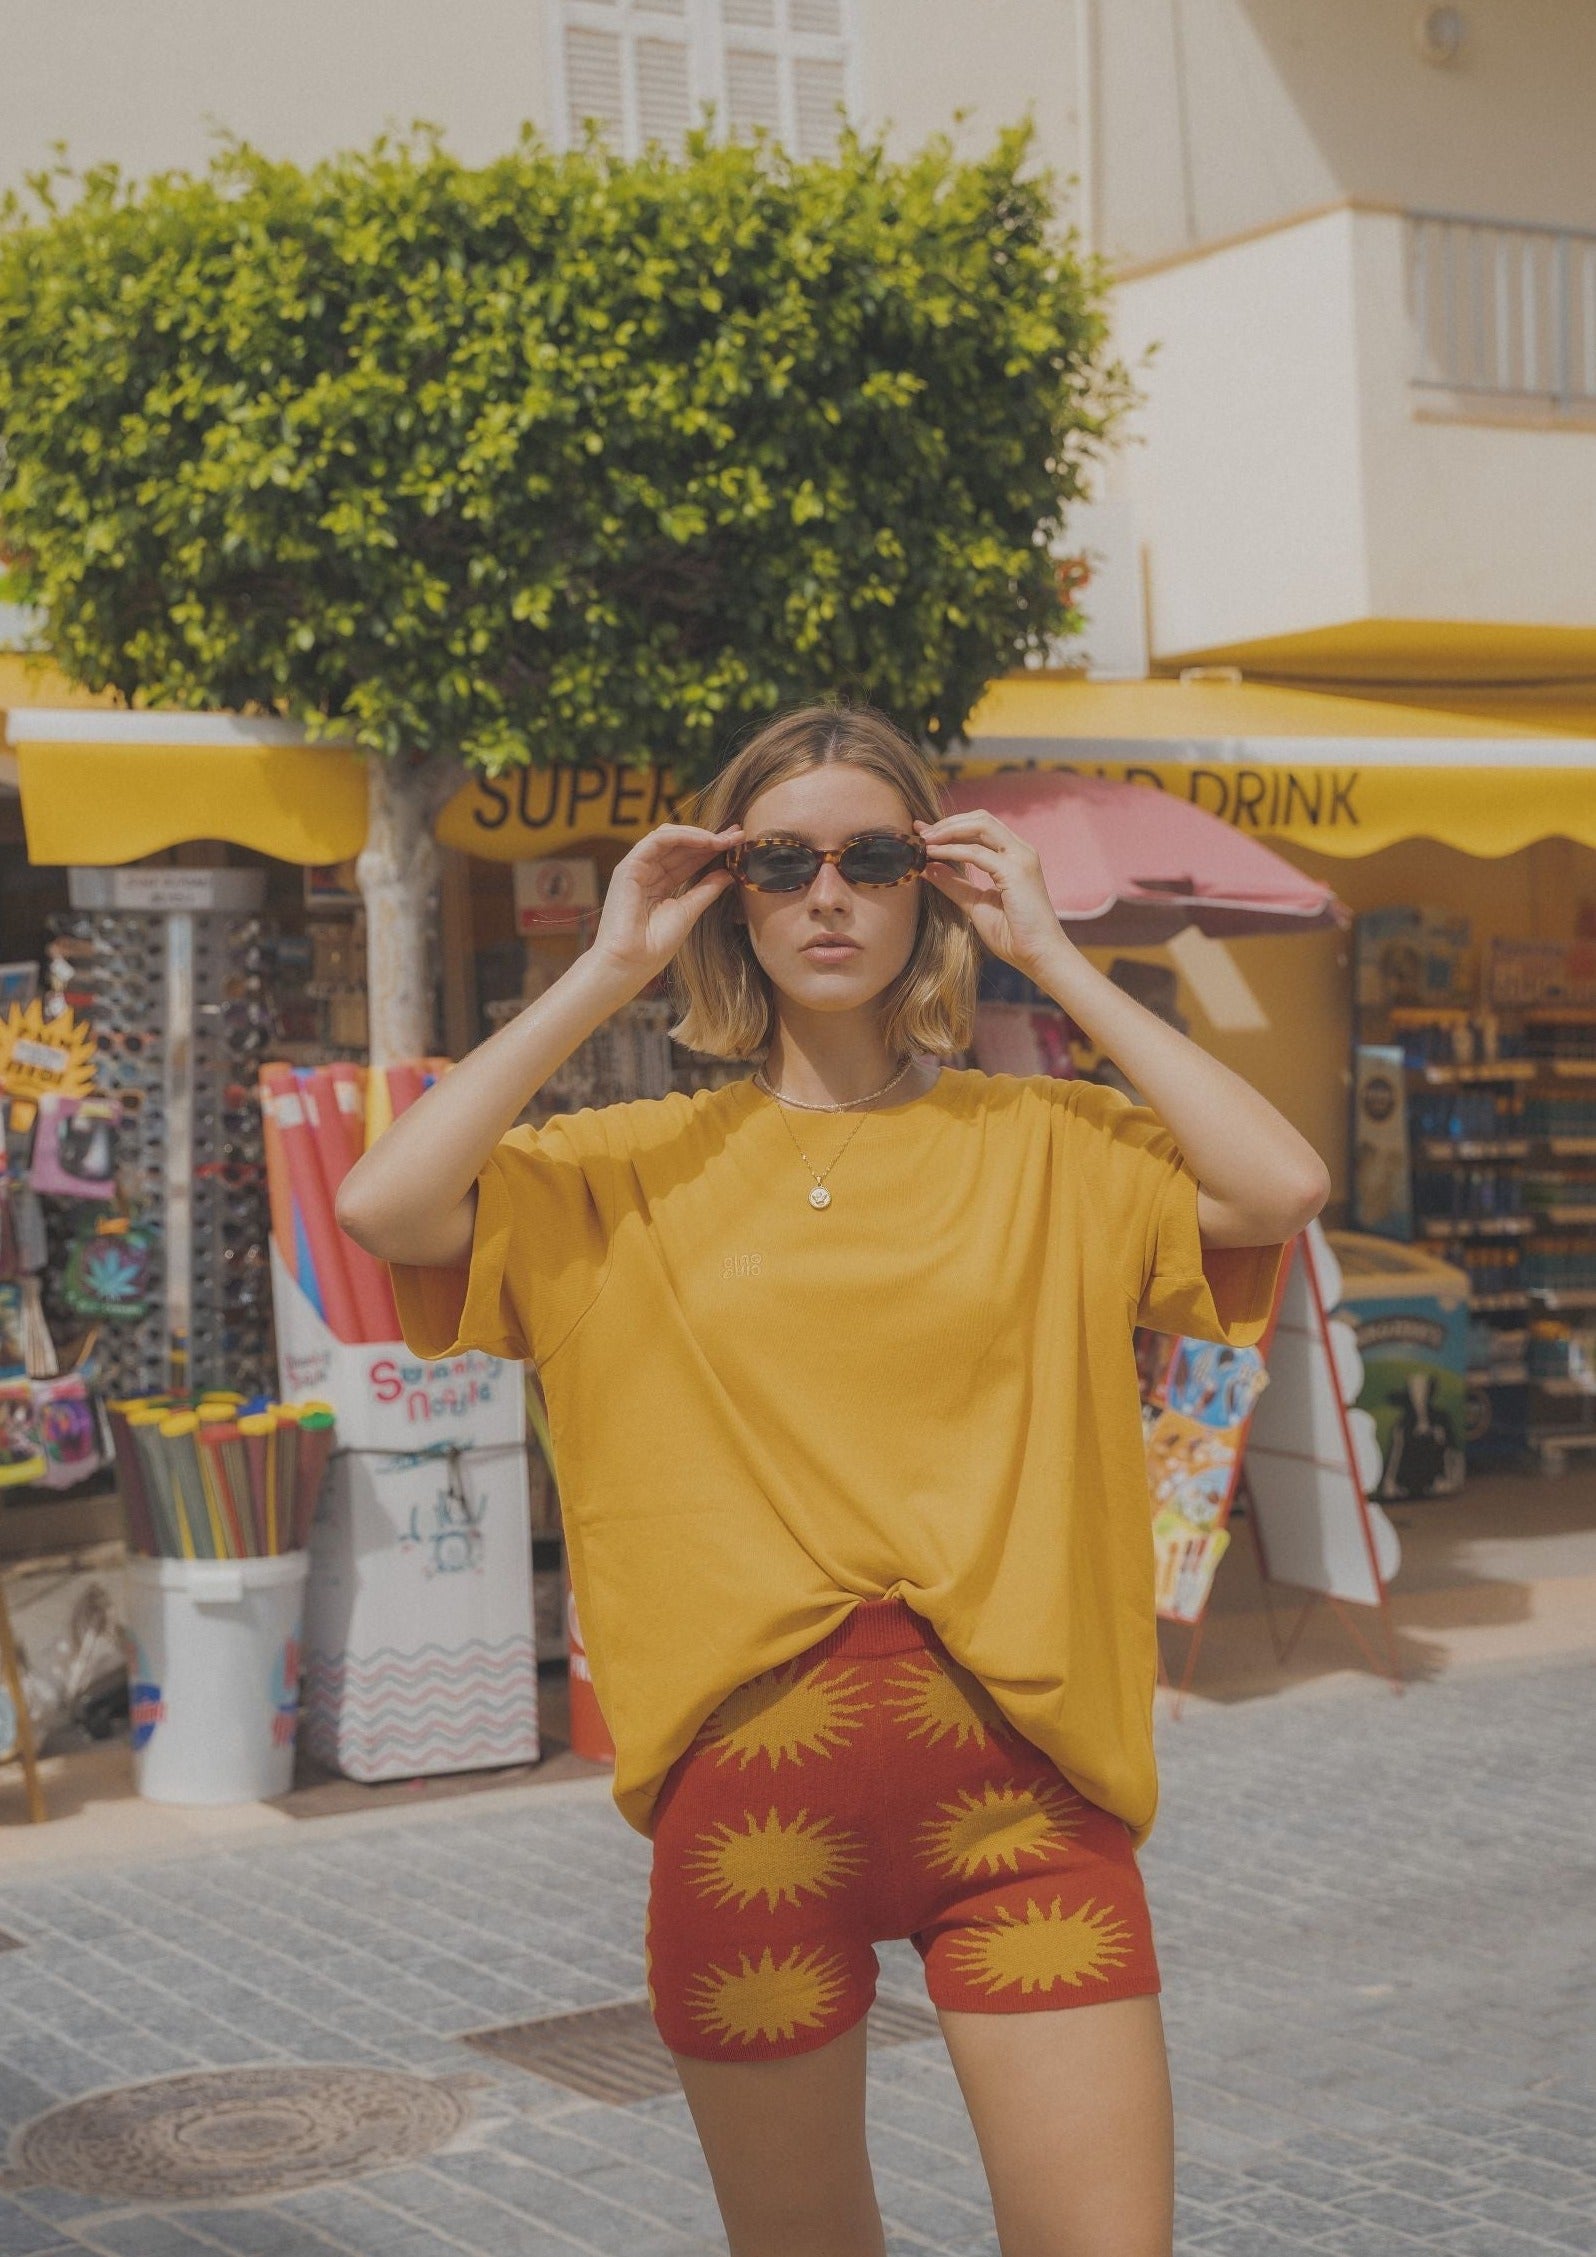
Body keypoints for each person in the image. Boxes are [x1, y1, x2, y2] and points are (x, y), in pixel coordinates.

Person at [337, 704, 1330, 2257]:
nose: (828, 893)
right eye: (779, 860)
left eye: (873, 857)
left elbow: (1281, 1185)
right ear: (728, 890)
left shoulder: (1052, 1143)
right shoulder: (625, 1167)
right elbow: (388, 1203)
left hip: (1030, 1804)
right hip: (749, 1816)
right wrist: (607, 967)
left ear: (928, 885)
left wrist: (1058, 962)